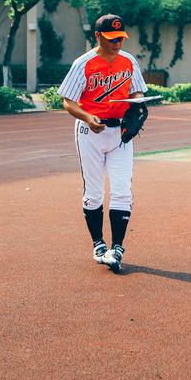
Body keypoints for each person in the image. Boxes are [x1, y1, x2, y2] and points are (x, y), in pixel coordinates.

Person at [58, 14, 148, 273]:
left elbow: (137, 90)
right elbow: (68, 101)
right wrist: (88, 117)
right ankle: (98, 244)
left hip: (120, 132)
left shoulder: (128, 61)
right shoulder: (83, 64)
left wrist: (136, 106)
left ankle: (117, 247)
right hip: (90, 133)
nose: (117, 43)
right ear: (98, 36)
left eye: (120, 38)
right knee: (94, 192)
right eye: (111, 38)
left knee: (122, 191)